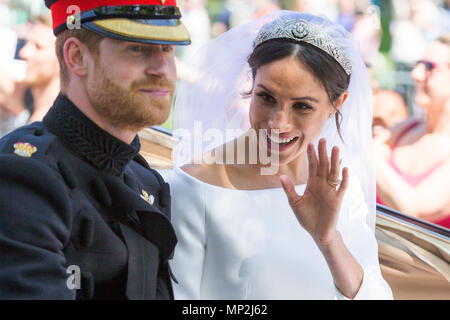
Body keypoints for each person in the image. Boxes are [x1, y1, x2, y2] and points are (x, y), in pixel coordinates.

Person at [166, 11, 393, 299]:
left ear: (337, 103)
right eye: (266, 98)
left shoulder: (338, 184)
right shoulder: (192, 186)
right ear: (251, 86)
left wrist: (328, 239)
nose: (278, 123)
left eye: (302, 107)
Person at [0, 0, 191, 299]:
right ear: (77, 57)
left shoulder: (145, 180)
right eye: (137, 48)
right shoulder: (23, 176)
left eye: (167, 49)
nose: (162, 69)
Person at [375, 33, 450, 229]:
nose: (415, 74)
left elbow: (414, 211)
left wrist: (372, 157)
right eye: (419, 64)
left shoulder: (395, 135)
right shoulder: (407, 128)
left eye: (429, 67)